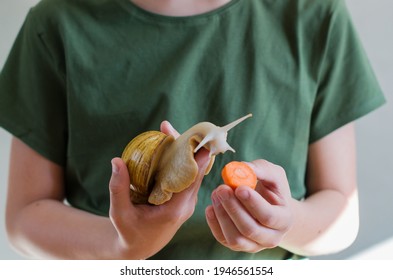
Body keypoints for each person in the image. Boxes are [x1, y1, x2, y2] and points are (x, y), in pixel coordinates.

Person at [0, 0, 386, 260]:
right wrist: (123, 246)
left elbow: (340, 211)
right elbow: (24, 216)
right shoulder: (57, 23)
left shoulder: (312, 15)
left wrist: (284, 225)